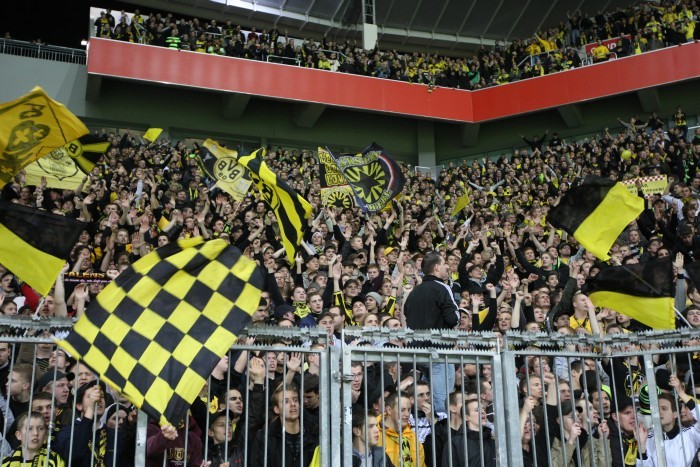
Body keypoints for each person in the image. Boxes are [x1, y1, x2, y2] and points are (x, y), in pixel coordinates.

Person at [404, 251, 459, 412]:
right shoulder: (443, 288)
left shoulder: (414, 292)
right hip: (439, 352)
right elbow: (453, 319)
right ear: (436, 267)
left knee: (427, 399)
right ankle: (442, 427)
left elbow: (407, 314)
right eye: (444, 264)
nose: (446, 267)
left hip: (418, 353)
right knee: (443, 401)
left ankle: (429, 426)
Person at [250, 383, 318, 466]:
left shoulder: (313, 433)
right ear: (276, 409)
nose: (293, 404)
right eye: (286, 401)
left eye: (295, 400)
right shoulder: (265, 437)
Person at [377, 392, 425, 467]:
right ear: (389, 410)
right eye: (402, 410)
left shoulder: (413, 437)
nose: (407, 414)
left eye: (409, 410)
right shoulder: (375, 434)